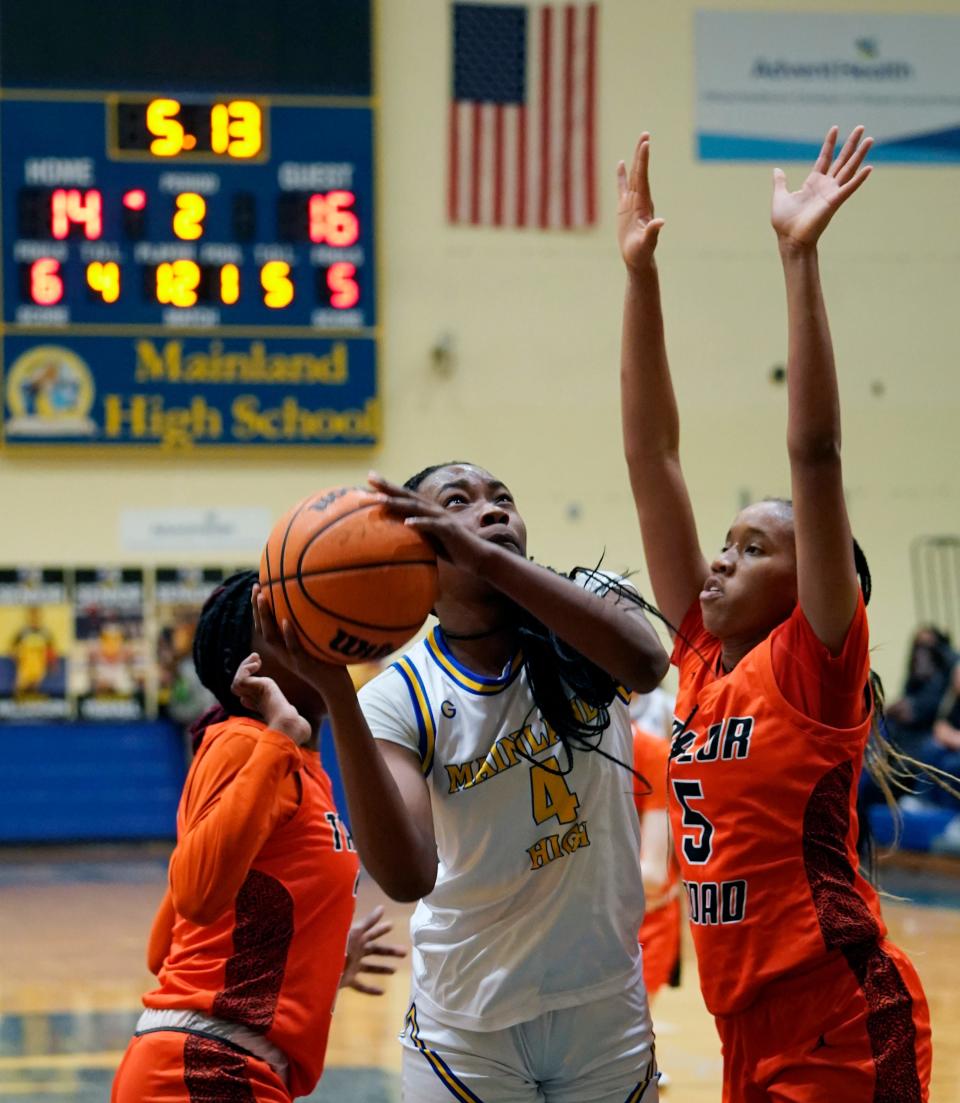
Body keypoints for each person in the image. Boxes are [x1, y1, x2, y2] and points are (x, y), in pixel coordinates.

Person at [617, 127, 932, 1100]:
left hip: (839, 1014)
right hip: (744, 1025)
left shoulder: (812, 665)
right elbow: (653, 459)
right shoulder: (705, 660)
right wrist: (640, 279)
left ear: (816, 587)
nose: (720, 555)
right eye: (728, 538)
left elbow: (818, 453)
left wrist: (799, 259)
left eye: (755, 547)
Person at [258, 463, 670, 1102]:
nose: (493, 510)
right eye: (459, 501)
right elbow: (406, 876)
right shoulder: (400, 695)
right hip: (468, 1022)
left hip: (605, 1002)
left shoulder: (591, 600)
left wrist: (485, 558)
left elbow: (645, 665)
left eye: (503, 499)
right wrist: (336, 689)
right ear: (412, 549)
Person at [111, 570, 405, 1103]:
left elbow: (168, 948)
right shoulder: (246, 745)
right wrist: (277, 739)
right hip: (200, 1071)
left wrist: (312, 967)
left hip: (220, 1066)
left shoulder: (299, 765)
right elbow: (199, 897)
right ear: (251, 666)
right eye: (288, 629)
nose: (318, 642)